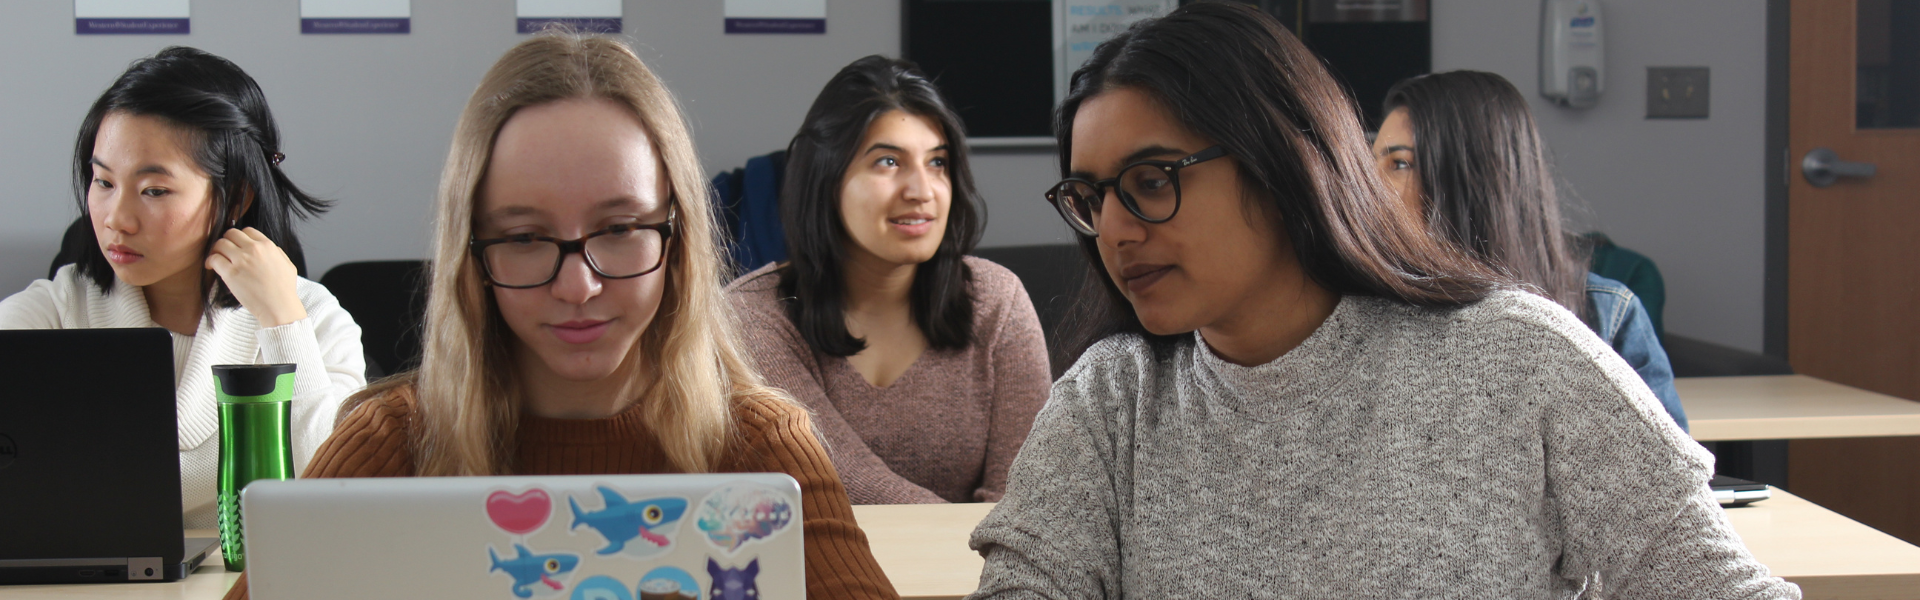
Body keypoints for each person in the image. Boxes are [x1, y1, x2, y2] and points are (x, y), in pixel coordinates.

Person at [967, 4, 1797, 598]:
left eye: (1150, 182)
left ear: (1284, 160)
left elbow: (1708, 579)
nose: (1113, 229)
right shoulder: (1109, 401)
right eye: (1091, 195)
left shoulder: (1517, 357)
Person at [219, 35, 897, 600]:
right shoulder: (389, 446)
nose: (579, 286)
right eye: (523, 238)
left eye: (621, 227)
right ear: (471, 256)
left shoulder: (761, 448)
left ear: (679, 239)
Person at [0, 47, 366, 529]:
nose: (116, 218)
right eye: (103, 181)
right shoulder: (49, 316)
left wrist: (283, 321)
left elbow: (336, 497)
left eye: (154, 190)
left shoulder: (312, 319)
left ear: (236, 195)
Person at [727, 56, 1049, 504]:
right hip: (818, 571)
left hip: (981, 576)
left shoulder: (998, 301)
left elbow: (1023, 503)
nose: (921, 190)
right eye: (887, 161)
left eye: (937, 162)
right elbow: (837, 482)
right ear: (826, 178)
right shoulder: (751, 315)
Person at [1372, 70, 1686, 431]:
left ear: (1470, 181)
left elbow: (1668, 481)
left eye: (1398, 164)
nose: (1368, 186)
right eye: (1370, 164)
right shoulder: (1359, 316)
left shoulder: (1606, 316)